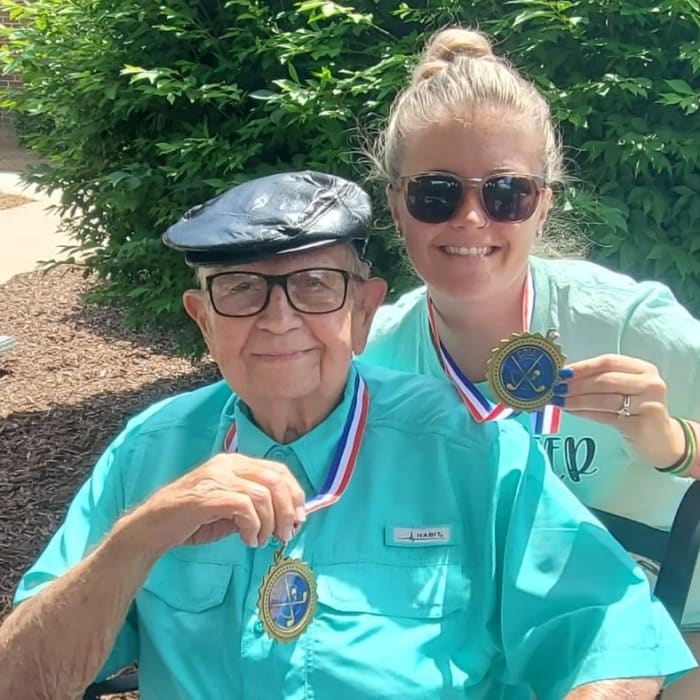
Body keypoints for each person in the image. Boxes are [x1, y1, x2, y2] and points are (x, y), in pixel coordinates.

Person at [0, 171, 695, 700]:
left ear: (363, 312)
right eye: (241, 290)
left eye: (315, 285)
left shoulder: (470, 449)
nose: (278, 320)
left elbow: (617, 636)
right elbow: (21, 677)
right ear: (202, 318)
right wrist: (137, 539)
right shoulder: (152, 451)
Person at [360, 26, 700, 699]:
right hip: (469, 652)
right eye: (437, 194)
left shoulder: (628, 324)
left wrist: (669, 442)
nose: (471, 220)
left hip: (665, 640)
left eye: (505, 193)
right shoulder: (377, 360)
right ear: (398, 206)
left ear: (542, 204)